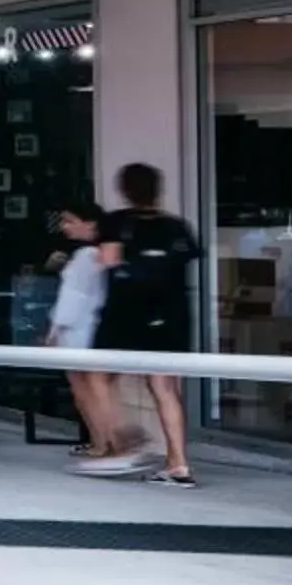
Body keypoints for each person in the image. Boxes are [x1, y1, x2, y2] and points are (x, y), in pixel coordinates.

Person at [81, 162, 201, 485]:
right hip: (171, 313)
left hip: (126, 311)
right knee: (165, 387)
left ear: (125, 191)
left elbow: (108, 260)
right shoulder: (177, 226)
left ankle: (122, 439)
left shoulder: (117, 222)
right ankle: (179, 464)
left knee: (96, 374)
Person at [43, 202, 127, 466]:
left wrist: (54, 329)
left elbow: (73, 298)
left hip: (79, 329)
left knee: (86, 388)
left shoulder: (87, 256)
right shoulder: (96, 254)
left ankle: (105, 442)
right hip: (87, 326)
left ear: (89, 224)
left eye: (70, 221)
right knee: (88, 387)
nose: (65, 227)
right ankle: (103, 441)